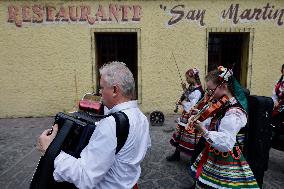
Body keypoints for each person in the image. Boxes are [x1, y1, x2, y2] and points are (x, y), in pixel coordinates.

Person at [37, 61, 151, 189]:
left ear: (114, 90)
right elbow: (143, 148)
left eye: (102, 88)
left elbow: (85, 177)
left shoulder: (111, 124)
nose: (100, 93)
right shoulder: (142, 118)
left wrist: (50, 151)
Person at [188, 66, 259, 188]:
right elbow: (215, 123)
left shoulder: (234, 112)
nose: (209, 94)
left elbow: (226, 142)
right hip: (214, 150)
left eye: (211, 90)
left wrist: (204, 131)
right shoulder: (223, 103)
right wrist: (200, 117)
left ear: (224, 86)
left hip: (228, 156)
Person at [167, 68, 204, 161]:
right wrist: (184, 89)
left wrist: (182, 103)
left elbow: (192, 106)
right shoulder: (192, 87)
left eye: (187, 78)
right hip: (185, 116)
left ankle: (194, 159)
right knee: (181, 134)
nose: (186, 80)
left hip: (191, 116)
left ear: (193, 78)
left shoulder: (198, 91)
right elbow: (188, 96)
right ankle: (176, 154)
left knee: (190, 137)